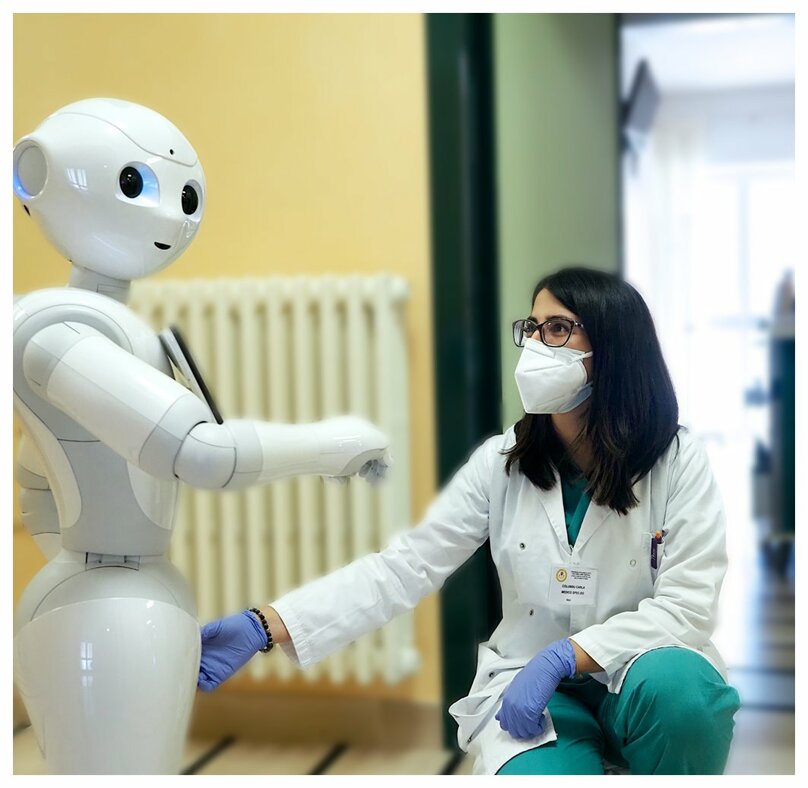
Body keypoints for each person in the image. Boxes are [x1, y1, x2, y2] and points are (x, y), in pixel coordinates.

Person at [197, 266, 741, 775]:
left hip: (638, 671)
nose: (535, 344)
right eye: (531, 328)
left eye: (557, 329)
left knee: (681, 695)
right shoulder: (502, 463)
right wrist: (266, 624)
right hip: (534, 687)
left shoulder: (676, 461)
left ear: (614, 349)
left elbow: (686, 606)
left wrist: (569, 655)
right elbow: (405, 567)